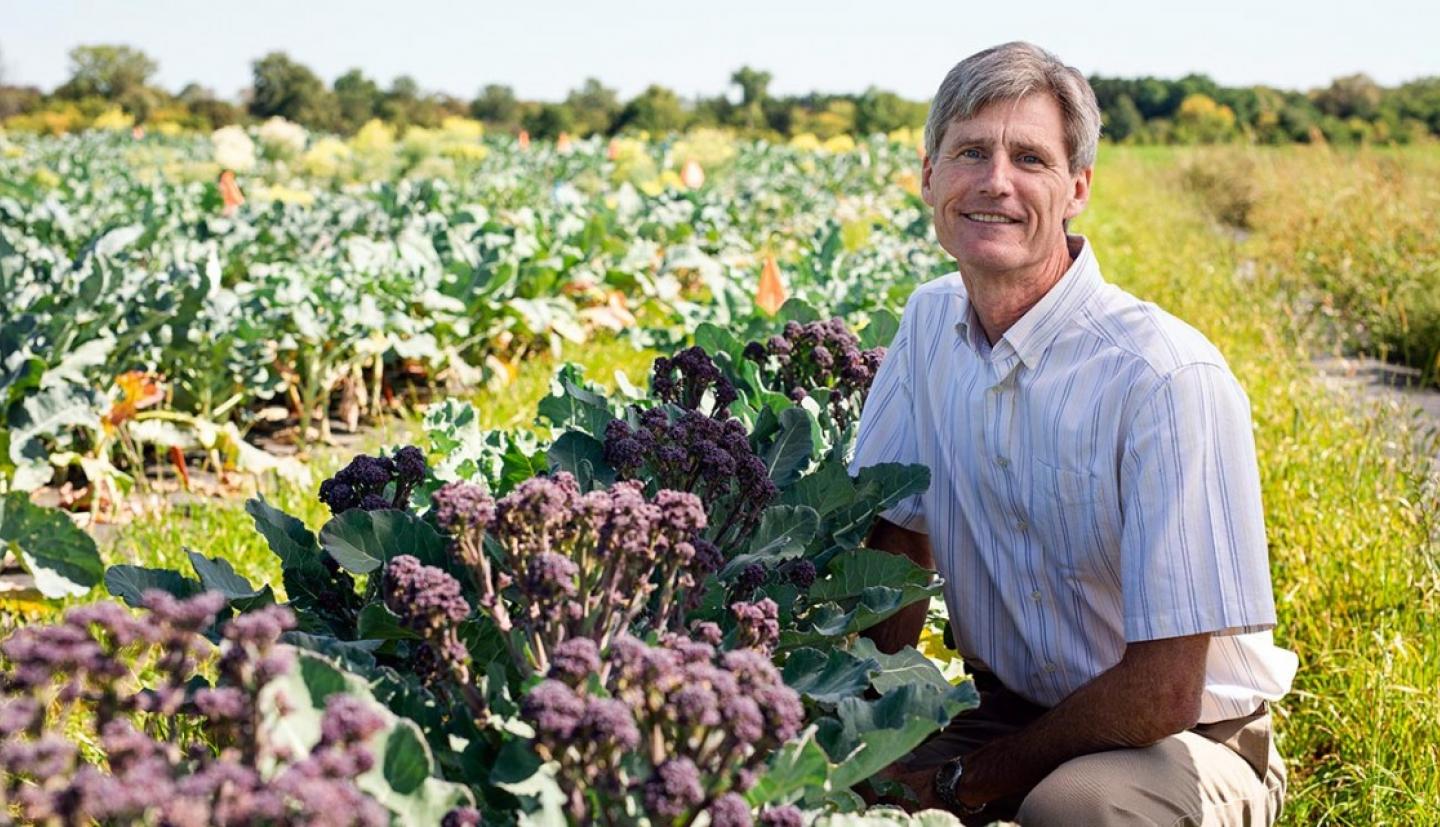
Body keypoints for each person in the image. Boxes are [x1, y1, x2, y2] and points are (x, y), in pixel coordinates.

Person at [848, 42, 1298, 826]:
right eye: (970, 152)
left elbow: (1164, 689)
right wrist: (856, 716)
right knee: (819, 782)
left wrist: (961, 782)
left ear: (1077, 188)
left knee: (1074, 809)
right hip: (1009, 710)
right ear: (929, 176)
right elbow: (897, 539)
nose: (997, 181)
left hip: (1182, 738)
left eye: (1030, 157)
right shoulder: (926, 325)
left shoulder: (1163, 377)